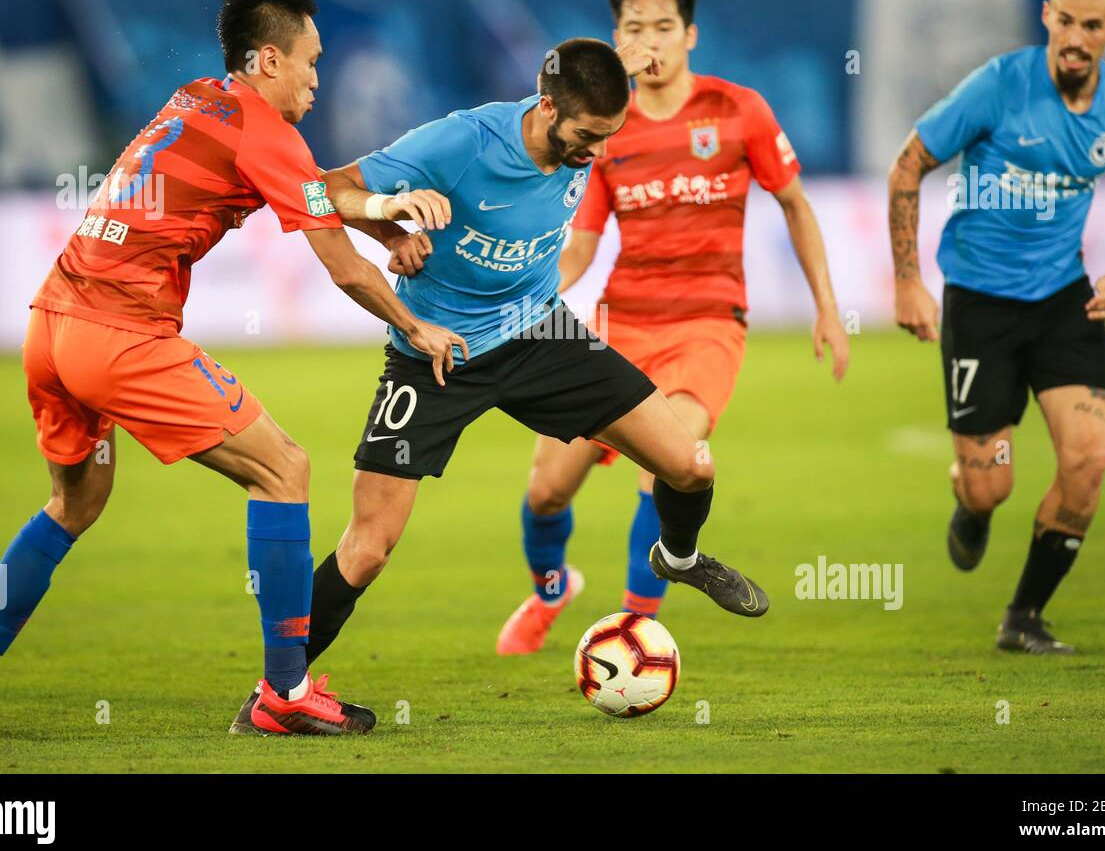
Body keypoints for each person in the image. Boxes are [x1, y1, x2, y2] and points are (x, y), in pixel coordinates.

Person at [0, 0, 463, 737]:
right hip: (121, 333)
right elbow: (338, 262)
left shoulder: (196, 97)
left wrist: (384, 220)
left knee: (73, 504)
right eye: (310, 60)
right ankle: (285, 692)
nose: (319, 75)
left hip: (51, 324)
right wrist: (417, 327)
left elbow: (314, 194)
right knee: (285, 470)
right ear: (268, 60)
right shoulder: (265, 129)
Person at [230, 36, 773, 733]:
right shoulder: (464, 141)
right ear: (546, 107)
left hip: (543, 334)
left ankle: (679, 554)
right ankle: (279, 695)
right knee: (369, 545)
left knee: (691, 466)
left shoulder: (590, 133)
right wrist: (388, 214)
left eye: (608, 138)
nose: (595, 153)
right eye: (584, 138)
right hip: (436, 355)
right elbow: (321, 189)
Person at [495, 0, 850, 655]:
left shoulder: (738, 110)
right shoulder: (605, 129)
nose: (650, 40)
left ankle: (634, 633)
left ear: (689, 34)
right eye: (633, 29)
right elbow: (582, 246)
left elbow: (796, 205)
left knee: (668, 463)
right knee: (546, 491)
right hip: (618, 323)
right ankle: (550, 589)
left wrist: (828, 309)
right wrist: (525, 289)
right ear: (616, 41)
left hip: (708, 323)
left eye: (662, 26)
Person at [887, 0, 1105, 654]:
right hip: (980, 302)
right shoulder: (997, 87)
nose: (1074, 37)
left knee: (1089, 460)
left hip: (1065, 300)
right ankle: (969, 503)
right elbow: (908, 165)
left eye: (1091, 26)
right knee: (990, 490)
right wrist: (908, 279)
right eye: (1064, 20)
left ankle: (1024, 617)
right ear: (1047, 15)